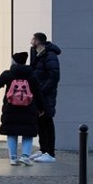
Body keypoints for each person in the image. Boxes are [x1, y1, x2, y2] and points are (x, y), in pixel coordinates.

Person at [0, 51, 46, 167]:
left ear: (14, 61)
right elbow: (38, 94)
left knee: (12, 133)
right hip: (28, 109)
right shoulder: (32, 75)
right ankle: (25, 157)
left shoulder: (8, 74)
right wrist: (41, 108)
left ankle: (13, 158)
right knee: (27, 133)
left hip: (11, 109)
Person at [29, 33, 61, 162]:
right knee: (41, 122)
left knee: (47, 121)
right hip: (39, 94)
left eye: (32, 39)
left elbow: (54, 77)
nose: (31, 41)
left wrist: (41, 92)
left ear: (37, 40)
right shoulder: (37, 54)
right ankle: (43, 150)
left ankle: (50, 153)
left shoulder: (50, 55)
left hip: (46, 95)